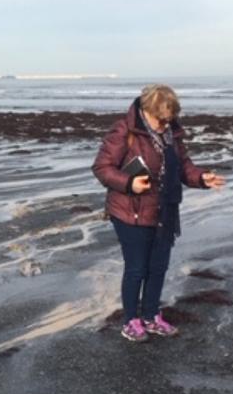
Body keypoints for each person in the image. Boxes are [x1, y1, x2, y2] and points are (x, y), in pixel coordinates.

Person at [92, 84, 225, 342]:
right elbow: (102, 167)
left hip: (165, 212)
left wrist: (201, 178)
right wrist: (129, 183)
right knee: (136, 268)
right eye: (160, 119)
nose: (165, 124)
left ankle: (152, 316)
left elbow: (183, 166)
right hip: (131, 212)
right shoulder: (124, 130)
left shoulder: (172, 133)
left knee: (158, 268)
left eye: (169, 119)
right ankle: (131, 321)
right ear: (146, 110)